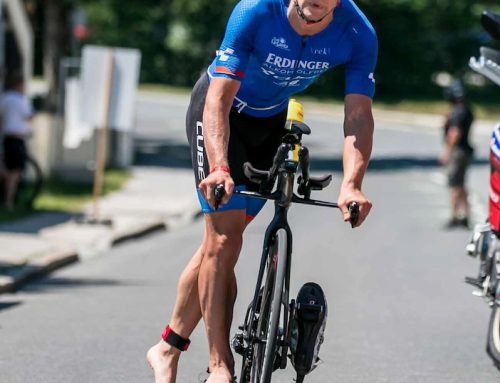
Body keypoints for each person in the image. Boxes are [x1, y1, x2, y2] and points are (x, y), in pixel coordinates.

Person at [147, 0, 377, 382]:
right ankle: (220, 367)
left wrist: (352, 184)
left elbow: (357, 115)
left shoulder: (357, 32)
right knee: (224, 240)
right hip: (222, 112)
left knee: (219, 242)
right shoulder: (255, 11)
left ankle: (167, 348)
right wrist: (220, 167)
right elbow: (218, 98)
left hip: (272, 120)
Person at [439, 80, 475, 229]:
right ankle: (466, 215)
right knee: (461, 184)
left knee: (454, 184)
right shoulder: (466, 110)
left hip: (458, 151)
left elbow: (455, 132)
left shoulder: (458, 112)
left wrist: (447, 152)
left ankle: (455, 216)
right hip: (465, 151)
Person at [0, 72, 33, 211]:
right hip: (18, 138)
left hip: (6, 137)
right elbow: (30, 116)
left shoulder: (4, 98)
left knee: (9, 168)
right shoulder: (21, 100)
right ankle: (9, 202)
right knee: (15, 172)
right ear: (20, 85)